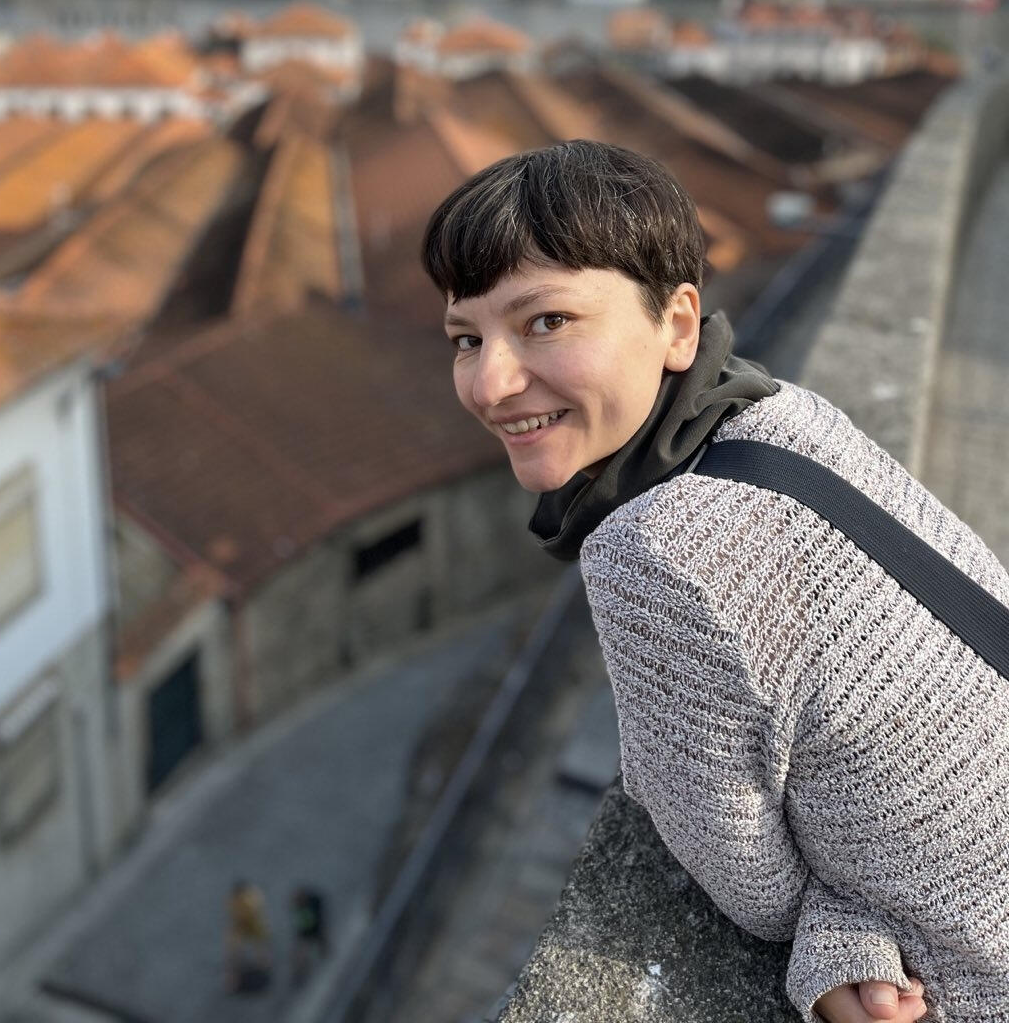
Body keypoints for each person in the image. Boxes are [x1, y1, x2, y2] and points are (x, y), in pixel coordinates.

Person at [420, 139, 1009, 1023]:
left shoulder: (651, 552)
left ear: (679, 325)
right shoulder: (785, 414)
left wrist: (832, 930)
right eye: (467, 338)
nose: (492, 381)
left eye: (546, 322)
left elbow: (750, 884)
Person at [225, 880, 273, 995]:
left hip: (254, 925)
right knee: (233, 953)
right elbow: (233, 914)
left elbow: (255, 913)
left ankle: (265, 975)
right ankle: (234, 980)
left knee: (261, 951)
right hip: (241, 925)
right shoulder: (233, 900)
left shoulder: (252, 898)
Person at [290, 885, 330, 985]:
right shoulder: (302, 905)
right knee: (302, 949)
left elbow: (317, 918)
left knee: (320, 941)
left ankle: (324, 952)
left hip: (314, 927)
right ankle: (302, 967)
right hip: (306, 928)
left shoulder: (313, 902)